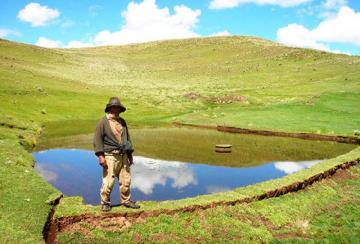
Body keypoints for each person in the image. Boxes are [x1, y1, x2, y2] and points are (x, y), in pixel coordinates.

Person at [93, 97, 140, 211]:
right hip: (110, 156)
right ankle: (105, 203)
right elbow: (97, 139)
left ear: (120, 109)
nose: (116, 110)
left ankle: (126, 201)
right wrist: (100, 156)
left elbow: (127, 138)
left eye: (117, 108)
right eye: (113, 107)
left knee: (126, 180)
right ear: (109, 108)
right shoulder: (103, 122)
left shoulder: (122, 121)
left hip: (123, 155)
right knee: (108, 181)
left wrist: (130, 154)